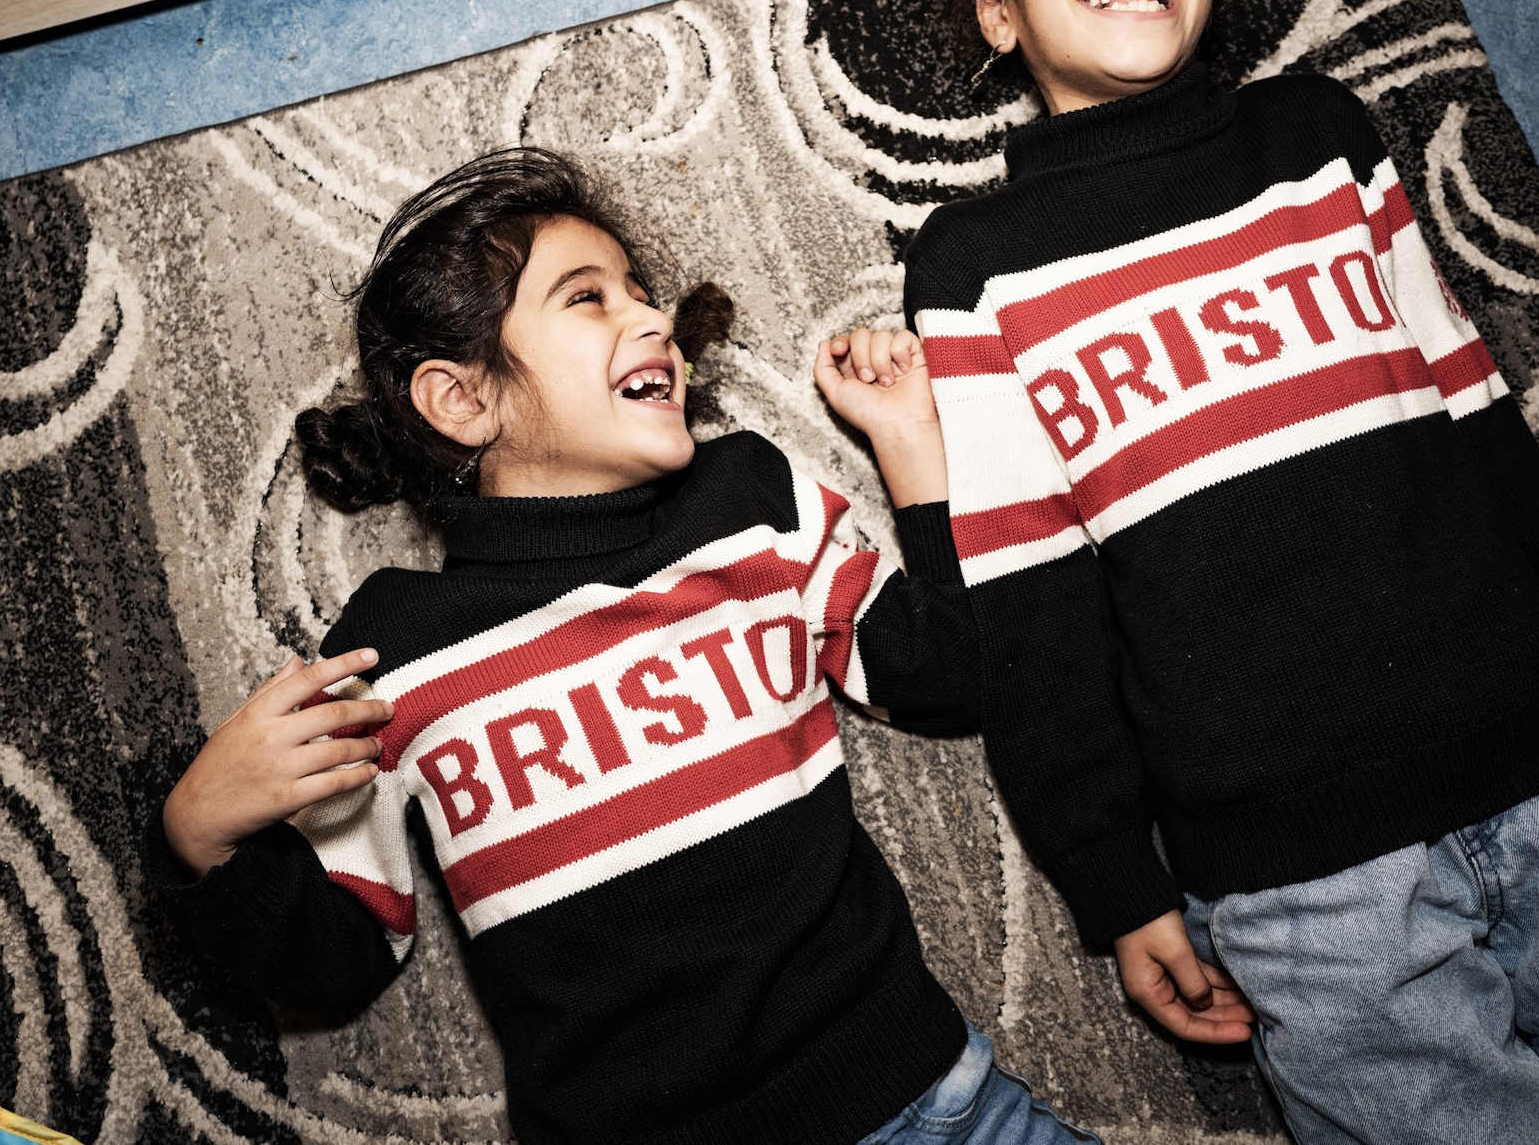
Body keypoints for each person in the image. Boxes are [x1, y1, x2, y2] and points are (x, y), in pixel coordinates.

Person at [900, 0, 1539, 1139]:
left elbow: (1484, 428)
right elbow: (1034, 611)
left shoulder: (1317, 137)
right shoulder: (974, 268)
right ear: (998, 8)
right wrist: (1115, 881)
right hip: (1306, 882)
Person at [146, 147, 1105, 1145]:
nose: (652, 320)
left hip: (925, 1101)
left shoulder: (749, 501)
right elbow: (333, 961)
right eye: (587, 298)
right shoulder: (389, 653)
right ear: (463, 399)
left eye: (642, 293)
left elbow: (951, 669)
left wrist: (910, 441)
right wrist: (196, 834)